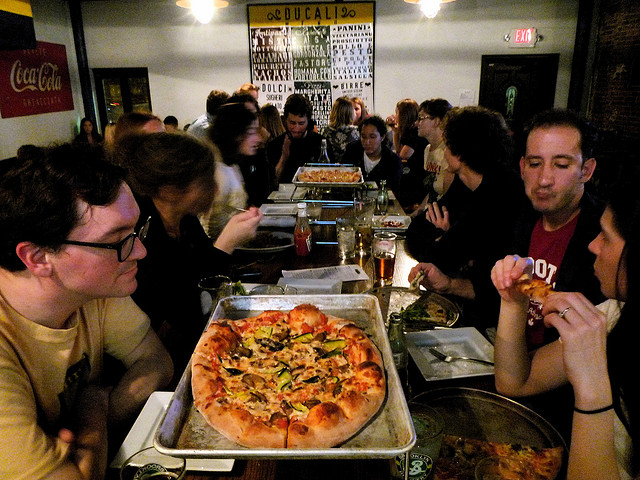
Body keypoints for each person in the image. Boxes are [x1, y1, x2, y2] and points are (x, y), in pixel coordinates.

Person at [0, 144, 173, 479]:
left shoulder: (91, 290)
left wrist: (87, 432)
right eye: (117, 240)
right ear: (38, 258)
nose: (139, 250)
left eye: (136, 231)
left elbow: (156, 362)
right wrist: (93, 410)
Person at [489, 163, 639, 480]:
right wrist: (514, 301)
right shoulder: (614, 314)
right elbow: (514, 382)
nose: (593, 245)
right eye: (534, 162)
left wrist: (593, 388)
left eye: (607, 237)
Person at [115, 133, 261, 382]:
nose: (215, 189)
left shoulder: (186, 220)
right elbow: (186, 308)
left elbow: (202, 270)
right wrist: (226, 243)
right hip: (165, 365)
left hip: (199, 345)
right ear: (170, 190)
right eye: (204, 182)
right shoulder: (141, 235)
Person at [408, 106, 527, 330]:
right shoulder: (464, 184)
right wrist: (448, 239)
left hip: (494, 321)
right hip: (469, 302)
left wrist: (445, 239)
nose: (444, 152)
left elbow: (440, 258)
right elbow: (414, 235)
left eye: (447, 145)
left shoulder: (502, 194)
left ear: (460, 153)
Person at [512, 109, 604, 350]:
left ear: (586, 170)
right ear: (522, 167)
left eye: (561, 165)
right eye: (535, 164)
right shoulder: (519, 217)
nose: (544, 179)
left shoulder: (604, 237)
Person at [200, 103, 260, 239]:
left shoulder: (230, 164)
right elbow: (207, 227)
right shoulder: (216, 171)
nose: (258, 138)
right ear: (236, 134)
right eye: (251, 133)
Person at [410, 98, 454, 218]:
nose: (416, 123)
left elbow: (447, 197)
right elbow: (432, 191)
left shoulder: (449, 152)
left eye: (421, 118)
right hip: (431, 212)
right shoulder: (428, 149)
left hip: (443, 215)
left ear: (437, 121)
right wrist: (417, 212)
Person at [266, 93, 324, 183]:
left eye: (301, 123)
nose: (296, 128)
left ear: (308, 121)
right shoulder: (275, 145)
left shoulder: (320, 143)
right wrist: (284, 157)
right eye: (292, 123)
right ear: (285, 120)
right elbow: (272, 181)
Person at [342, 115, 402, 191]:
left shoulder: (392, 161)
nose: (367, 142)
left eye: (372, 137)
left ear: (382, 137)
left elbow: (393, 190)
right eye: (363, 137)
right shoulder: (352, 151)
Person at [321, 96, 360, 163]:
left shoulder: (325, 131)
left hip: (329, 167)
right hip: (350, 168)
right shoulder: (355, 132)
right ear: (350, 113)